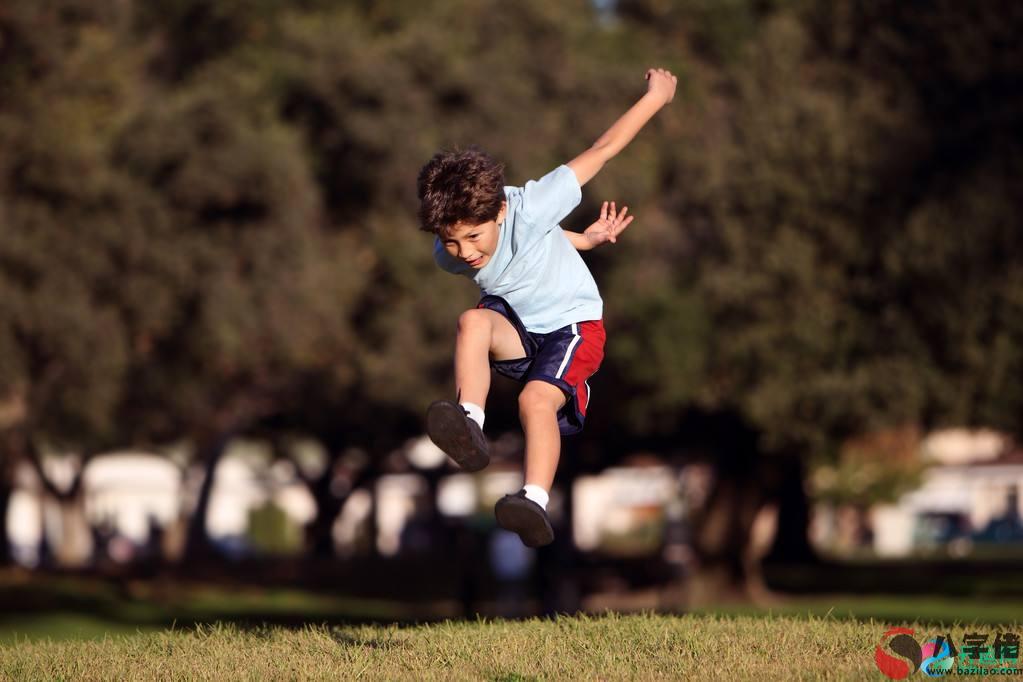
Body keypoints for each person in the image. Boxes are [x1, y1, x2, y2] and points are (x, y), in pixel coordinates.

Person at [416, 68, 677, 547]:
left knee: (533, 401)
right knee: (472, 320)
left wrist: (656, 98)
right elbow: (535, 248)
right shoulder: (449, 254)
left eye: (474, 237)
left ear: (499, 211)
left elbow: (603, 148)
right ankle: (469, 424)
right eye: (451, 242)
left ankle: (532, 499)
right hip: (517, 325)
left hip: (571, 327)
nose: (466, 252)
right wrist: (584, 238)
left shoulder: (532, 205)